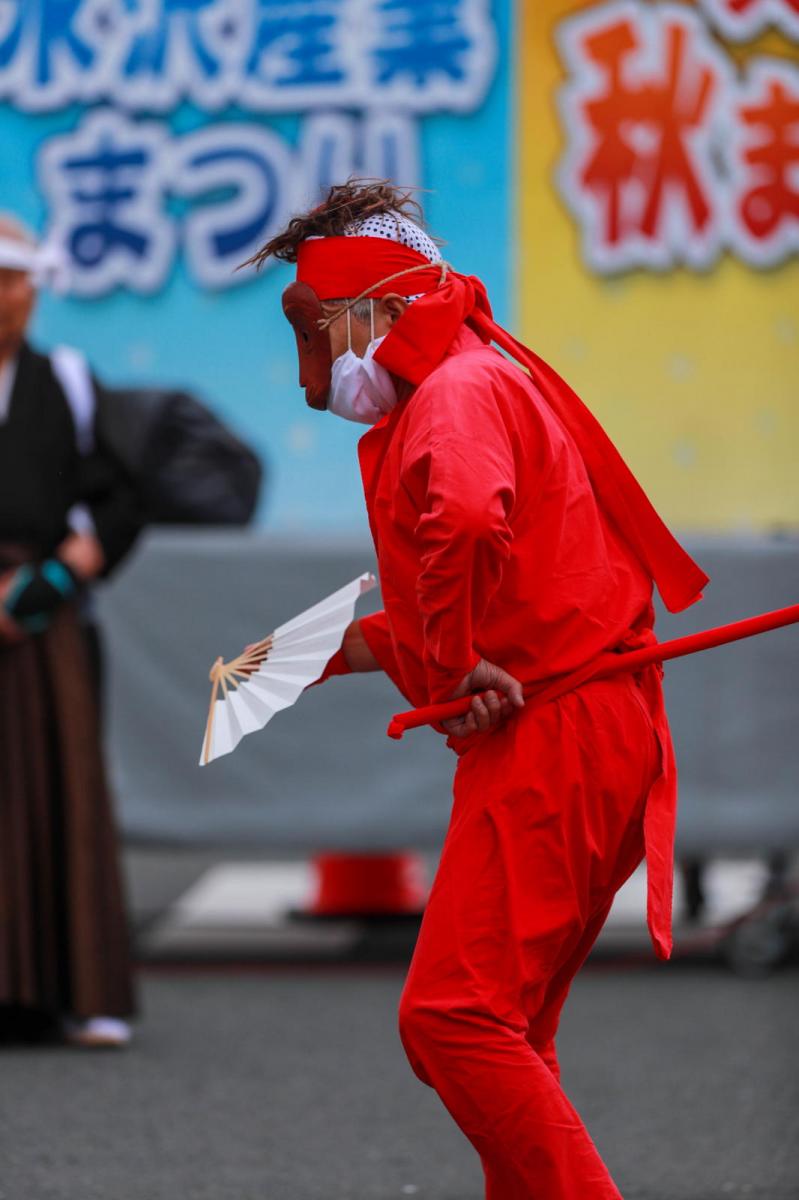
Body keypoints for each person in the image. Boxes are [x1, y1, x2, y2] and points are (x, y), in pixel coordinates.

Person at [245, 181, 709, 1198]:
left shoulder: (455, 390)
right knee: (505, 1030)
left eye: (315, 333)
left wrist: (452, 663)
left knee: (453, 1018)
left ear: (377, 305)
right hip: (584, 722)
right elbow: (481, 595)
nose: (309, 378)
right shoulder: (477, 377)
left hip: (562, 731)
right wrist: (297, 658)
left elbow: (459, 526)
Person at [0, 216, 139, 1048]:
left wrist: (64, 570)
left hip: (43, 614)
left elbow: (119, 496)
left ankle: (79, 992)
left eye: (12, 280)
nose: (2, 298)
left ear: (36, 290)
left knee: (64, 788)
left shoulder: (69, 382)